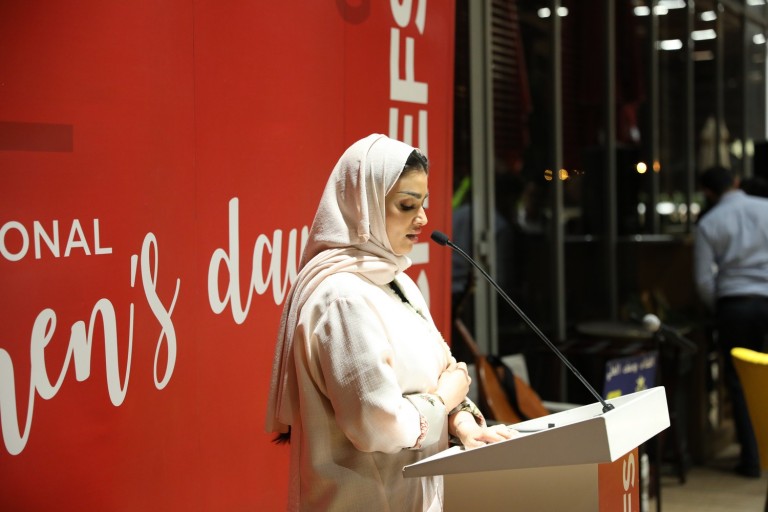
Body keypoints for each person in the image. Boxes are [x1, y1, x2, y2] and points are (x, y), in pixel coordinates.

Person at [266, 134, 515, 511]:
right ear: (363, 206)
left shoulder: (396, 281)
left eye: (423, 203)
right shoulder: (342, 296)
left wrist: (462, 422)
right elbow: (376, 423)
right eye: (407, 205)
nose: (423, 219)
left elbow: (445, 370)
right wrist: (442, 400)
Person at [693, 165, 768, 479]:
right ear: (736, 181)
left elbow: (703, 280)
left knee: (741, 382)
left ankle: (752, 460)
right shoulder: (765, 208)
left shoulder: (709, 222)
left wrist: (722, 306)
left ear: (708, 192)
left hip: (735, 305)